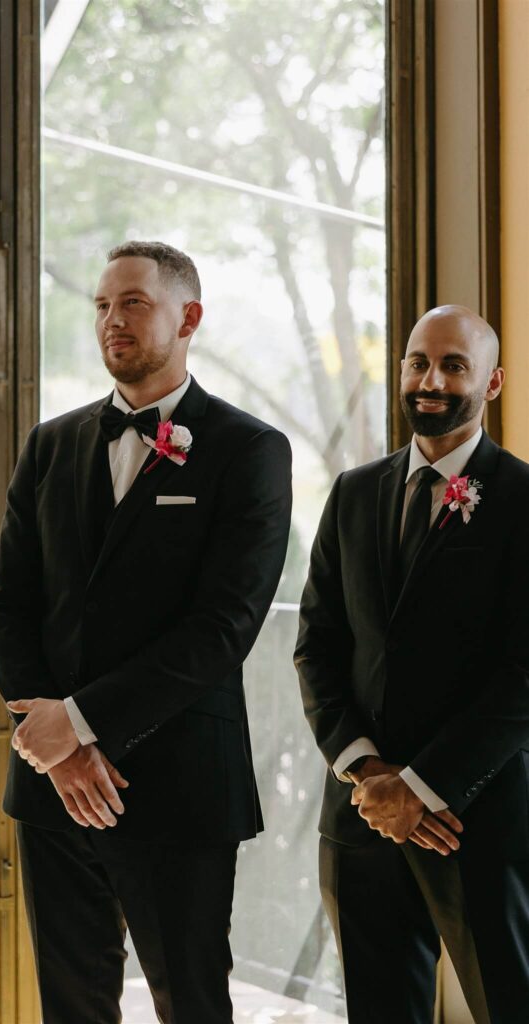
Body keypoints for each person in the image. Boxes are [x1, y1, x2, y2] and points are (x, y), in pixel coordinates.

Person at [0, 240, 293, 1024]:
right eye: (101, 305)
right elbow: (7, 601)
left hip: (178, 781)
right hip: (53, 786)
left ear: (187, 318)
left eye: (132, 304)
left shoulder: (249, 450)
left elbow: (223, 626)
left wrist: (82, 725)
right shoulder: (49, 445)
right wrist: (54, 742)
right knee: (71, 1007)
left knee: (189, 1001)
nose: (111, 321)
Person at [294, 305, 529, 1024]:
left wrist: (424, 787)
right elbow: (317, 644)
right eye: (416, 362)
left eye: (452, 365)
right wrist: (369, 774)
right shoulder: (352, 491)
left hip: (474, 818)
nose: (429, 380)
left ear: (490, 384)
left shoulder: (523, 501)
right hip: (361, 818)